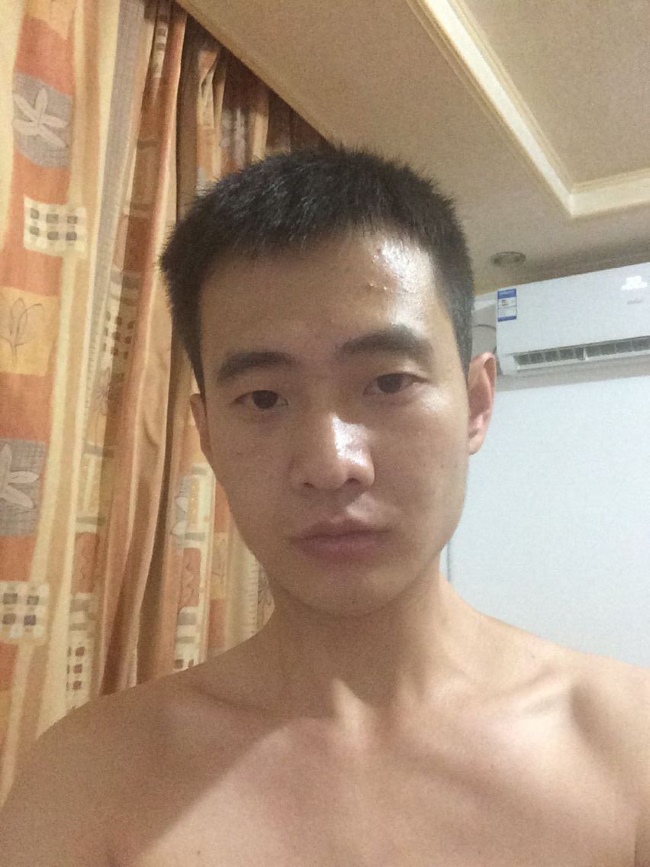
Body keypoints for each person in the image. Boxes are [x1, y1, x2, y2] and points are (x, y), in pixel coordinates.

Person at [0, 147, 648, 866]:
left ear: (476, 403)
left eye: (389, 382)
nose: (331, 464)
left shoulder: (630, 750)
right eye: (263, 398)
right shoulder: (89, 779)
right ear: (207, 436)